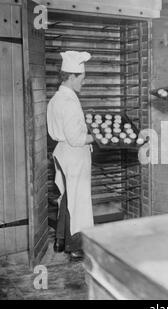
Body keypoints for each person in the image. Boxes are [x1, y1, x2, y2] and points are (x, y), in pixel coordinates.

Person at [47, 51, 94, 260]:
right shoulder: (70, 102)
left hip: (61, 153)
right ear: (72, 76)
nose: (83, 84)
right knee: (78, 202)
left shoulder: (56, 99)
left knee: (66, 199)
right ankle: (76, 247)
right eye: (81, 79)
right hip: (74, 155)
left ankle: (60, 241)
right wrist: (97, 137)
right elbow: (76, 139)